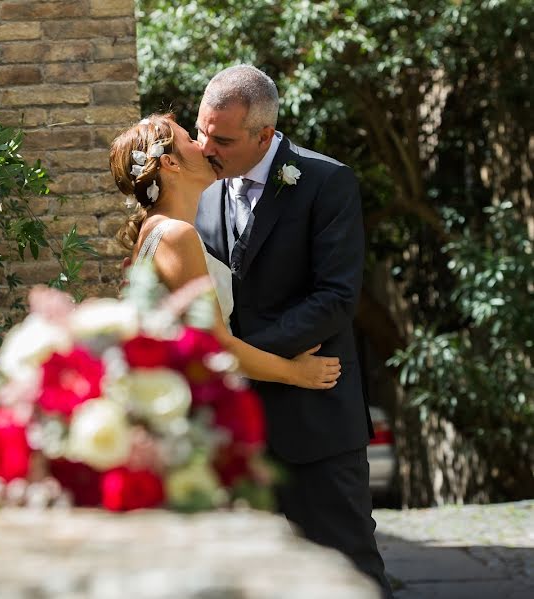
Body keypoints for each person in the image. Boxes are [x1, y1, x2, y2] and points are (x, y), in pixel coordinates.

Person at [193, 65, 392, 598]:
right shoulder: (205, 196)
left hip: (316, 421)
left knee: (350, 572)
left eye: (223, 138)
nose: (206, 146)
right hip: (236, 432)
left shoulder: (327, 182)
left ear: (264, 135)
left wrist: (238, 354)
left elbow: (335, 299)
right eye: (201, 130)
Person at [110, 114, 342, 392]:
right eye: (190, 139)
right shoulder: (175, 235)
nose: (204, 146)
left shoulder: (156, 229)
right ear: (170, 163)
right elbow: (217, 344)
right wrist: (296, 373)